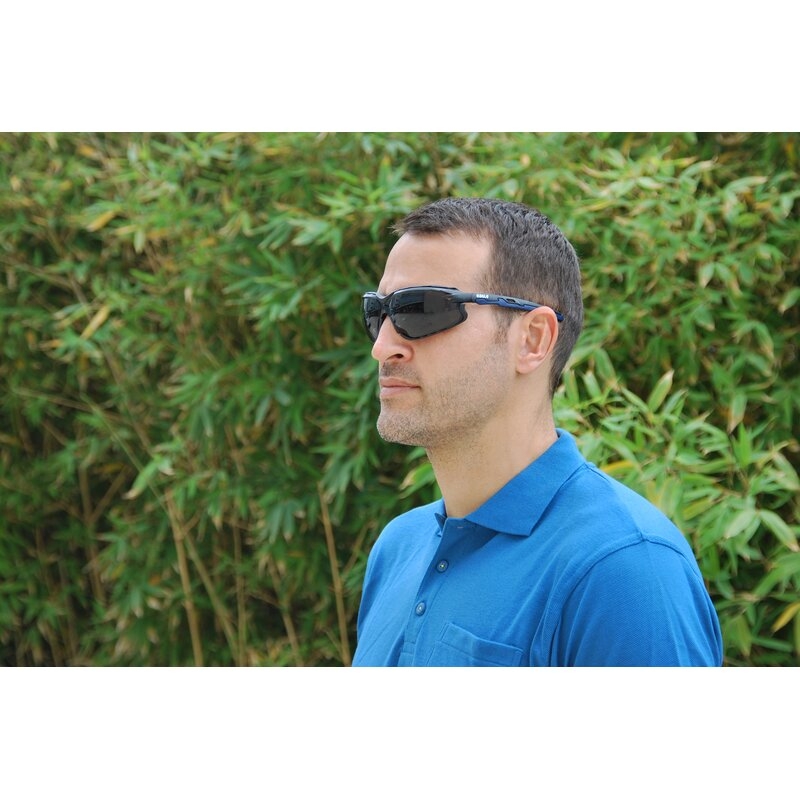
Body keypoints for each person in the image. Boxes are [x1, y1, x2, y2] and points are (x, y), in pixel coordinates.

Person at [352, 197, 723, 667]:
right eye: (378, 312)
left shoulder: (624, 569)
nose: (383, 346)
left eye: (420, 310)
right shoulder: (398, 548)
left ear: (533, 339)